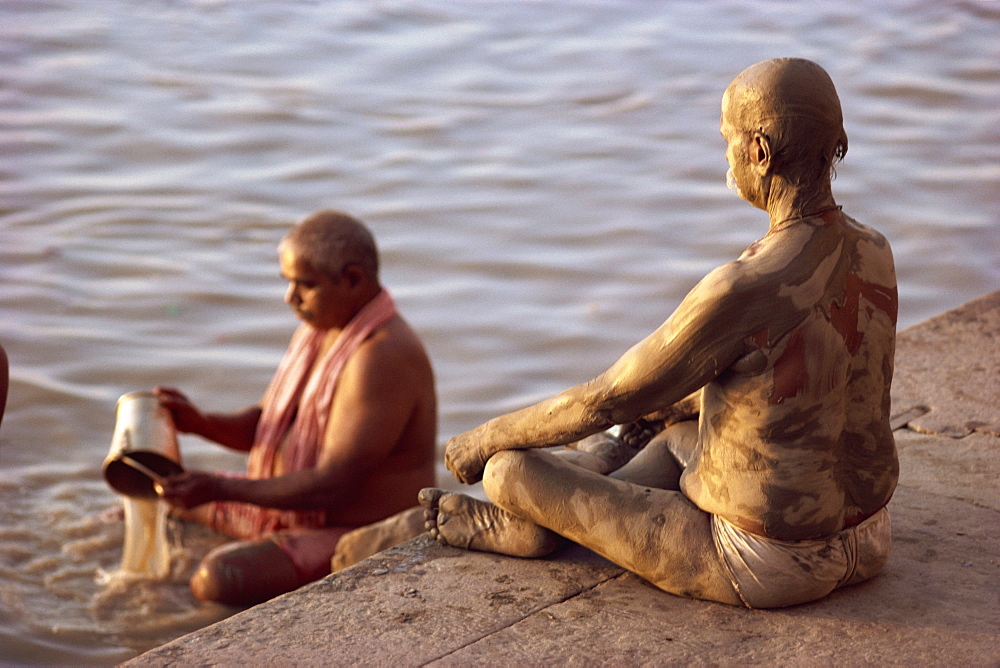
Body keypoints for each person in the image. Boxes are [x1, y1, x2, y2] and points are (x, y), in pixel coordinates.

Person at [420, 58, 898, 609]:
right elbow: (808, 376)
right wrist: (686, 400)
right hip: (868, 538)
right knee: (673, 437)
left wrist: (482, 439)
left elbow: (606, 399)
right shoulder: (876, 250)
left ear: (759, 154)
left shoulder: (742, 286)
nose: (725, 154)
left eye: (728, 140)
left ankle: (539, 518)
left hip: (765, 562)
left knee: (509, 469)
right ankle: (587, 479)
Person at [155, 209, 437, 605]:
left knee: (217, 579)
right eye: (288, 283)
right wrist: (202, 424)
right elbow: (268, 423)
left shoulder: (382, 354)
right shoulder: (320, 328)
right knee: (157, 493)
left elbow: (333, 485)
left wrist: (220, 487)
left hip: (360, 531)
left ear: (353, 279)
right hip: (296, 510)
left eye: (304, 285)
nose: (290, 298)